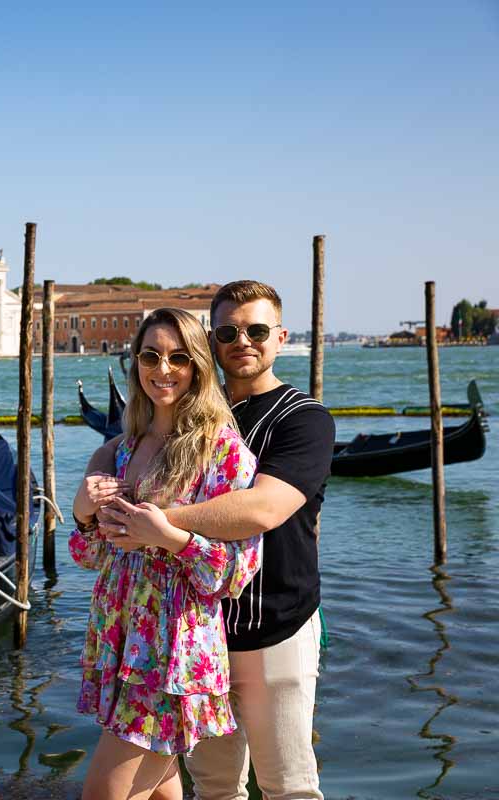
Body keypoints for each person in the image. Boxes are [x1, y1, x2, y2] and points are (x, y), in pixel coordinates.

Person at [99, 281, 335, 800]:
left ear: (280, 336)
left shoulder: (305, 420)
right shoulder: (193, 414)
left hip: (275, 622)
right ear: (212, 338)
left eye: (256, 329)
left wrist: (157, 523)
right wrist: (96, 476)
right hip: (198, 633)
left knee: (288, 786)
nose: (242, 340)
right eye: (227, 330)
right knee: (215, 785)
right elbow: (127, 441)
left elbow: (262, 509)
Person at [71, 307, 262, 800]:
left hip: (171, 653)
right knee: (161, 791)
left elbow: (235, 573)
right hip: (121, 638)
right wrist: (82, 512)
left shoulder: (222, 451)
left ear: (198, 364)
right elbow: (91, 555)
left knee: (104, 794)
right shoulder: (126, 446)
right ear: (136, 362)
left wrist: (168, 536)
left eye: (178, 357)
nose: (163, 369)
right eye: (152, 356)